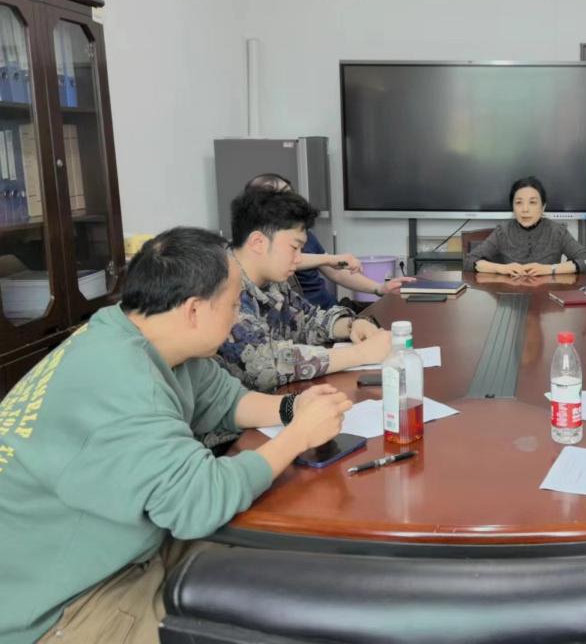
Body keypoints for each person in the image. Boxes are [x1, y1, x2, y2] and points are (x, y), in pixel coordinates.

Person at [0, 227, 355, 644]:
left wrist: (295, 408)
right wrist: (296, 437)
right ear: (194, 310)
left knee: (282, 569)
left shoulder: (134, 332)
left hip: (130, 547)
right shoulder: (123, 382)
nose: (237, 317)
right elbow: (200, 500)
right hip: (64, 603)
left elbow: (224, 399)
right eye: (233, 304)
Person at [217, 187, 392, 396]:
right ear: (258, 242)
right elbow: (264, 366)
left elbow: (306, 319)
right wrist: (360, 354)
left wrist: (351, 325)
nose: (299, 259)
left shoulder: (270, 280)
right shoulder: (221, 287)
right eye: (294, 247)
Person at [244, 173, 414, 308]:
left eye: (290, 194)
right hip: (312, 321)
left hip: (328, 314)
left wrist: (379, 288)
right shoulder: (257, 246)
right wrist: (329, 259)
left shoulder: (303, 233)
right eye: (280, 198)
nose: (296, 257)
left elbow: (335, 272)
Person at [464, 176, 586, 277]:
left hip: (547, 296)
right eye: (519, 203)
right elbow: (470, 261)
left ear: (543, 207)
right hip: (510, 295)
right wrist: (501, 268)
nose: (525, 209)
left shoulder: (557, 231)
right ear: (513, 207)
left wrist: (550, 269)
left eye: (532, 202)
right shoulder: (502, 232)